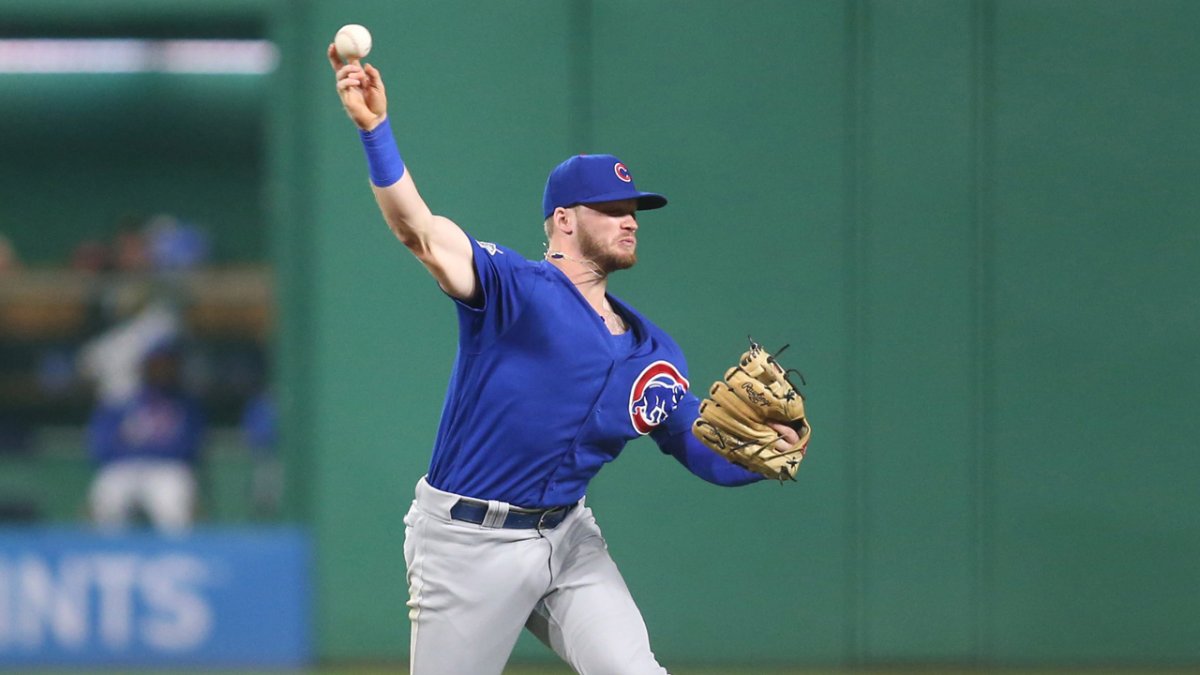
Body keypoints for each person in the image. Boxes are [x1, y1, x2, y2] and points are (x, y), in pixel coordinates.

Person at [329, 46, 802, 675]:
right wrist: (374, 131)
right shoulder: (514, 290)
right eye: (610, 208)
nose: (628, 219)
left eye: (632, 209)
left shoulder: (653, 351)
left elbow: (698, 441)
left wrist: (766, 449)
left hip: (569, 539)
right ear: (563, 220)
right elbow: (418, 230)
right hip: (468, 544)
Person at [86, 339, 205, 533]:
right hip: (124, 466)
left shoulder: (186, 403)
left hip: (166, 468)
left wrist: (141, 447)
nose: (162, 370)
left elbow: (187, 446)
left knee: (173, 497)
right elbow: (102, 445)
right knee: (109, 494)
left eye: (167, 365)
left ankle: (177, 555)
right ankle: (109, 555)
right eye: (156, 365)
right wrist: (135, 451)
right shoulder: (123, 400)